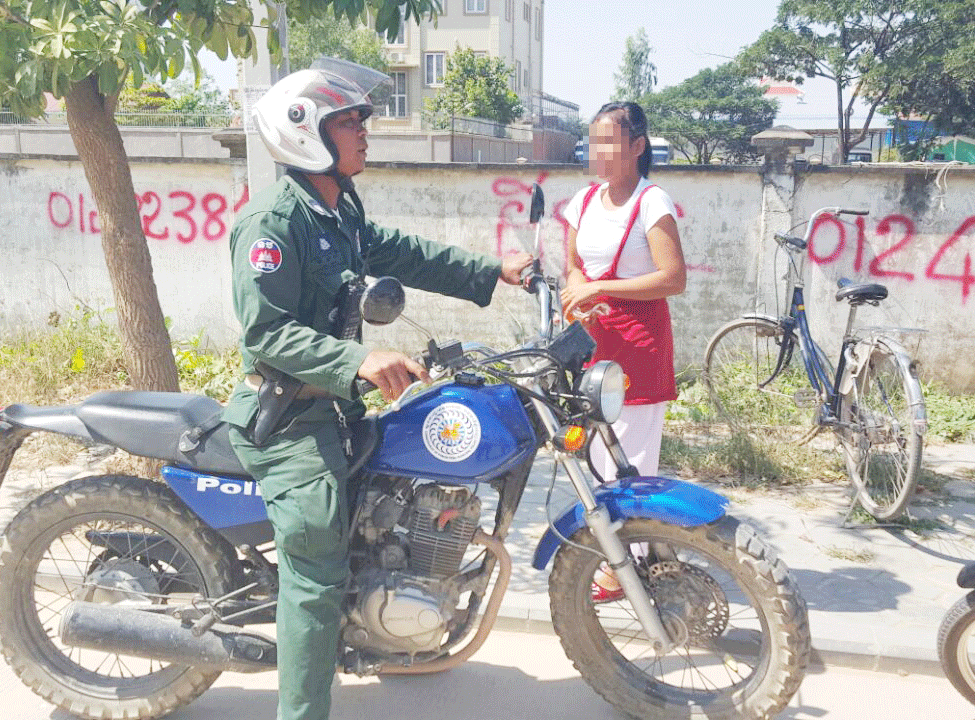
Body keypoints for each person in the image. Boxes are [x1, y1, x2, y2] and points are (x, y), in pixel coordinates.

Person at [222, 58, 531, 720]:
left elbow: (400, 252)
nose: (365, 131)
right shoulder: (273, 223)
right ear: (306, 131)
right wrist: (359, 360)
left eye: (362, 119)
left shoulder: (338, 211)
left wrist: (491, 271)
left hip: (335, 408)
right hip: (289, 421)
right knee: (316, 568)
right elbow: (267, 334)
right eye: (350, 121)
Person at [559, 101, 686, 602]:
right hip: (593, 341)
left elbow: (672, 278)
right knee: (594, 454)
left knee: (630, 460)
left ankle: (625, 566)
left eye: (609, 142)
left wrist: (601, 288)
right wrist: (580, 292)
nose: (598, 152)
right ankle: (616, 551)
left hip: (638, 344)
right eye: (593, 142)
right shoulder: (583, 201)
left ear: (637, 146)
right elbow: (572, 264)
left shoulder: (652, 202)